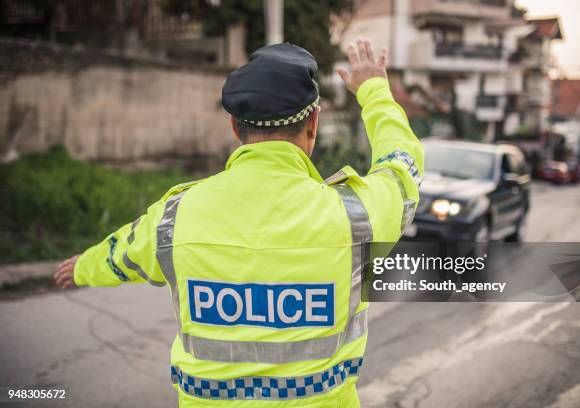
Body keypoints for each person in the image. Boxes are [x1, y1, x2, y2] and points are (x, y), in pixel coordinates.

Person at [54, 38, 423, 407]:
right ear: (313, 124)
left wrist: (83, 268)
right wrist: (374, 90)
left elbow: (123, 253)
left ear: (234, 127)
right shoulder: (357, 217)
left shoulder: (175, 216)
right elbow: (402, 165)